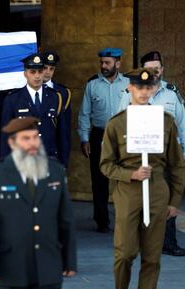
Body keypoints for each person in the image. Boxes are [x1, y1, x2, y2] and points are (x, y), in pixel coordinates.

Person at [100, 68, 185, 289]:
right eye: (139, 87)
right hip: (128, 192)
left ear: (156, 88)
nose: (144, 92)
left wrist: (174, 201)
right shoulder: (116, 124)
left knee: (152, 256)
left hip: (157, 190)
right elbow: (106, 165)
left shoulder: (165, 121)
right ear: (129, 87)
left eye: (149, 87)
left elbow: (176, 164)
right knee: (125, 253)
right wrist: (131, 174)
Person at [0, 116, 77, 289]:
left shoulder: (55, 171)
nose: (33, 143)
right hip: (11, 267)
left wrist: (69, 261)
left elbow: (65, 219)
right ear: (12, 143)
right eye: (26, 138)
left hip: (48, 264)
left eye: (36, 137)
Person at [117, 51, 185, 256]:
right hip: (138, 154)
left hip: (168, 155)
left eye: (157, 68)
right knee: (138, 199)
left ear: (162, 70)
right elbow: (119, 123)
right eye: (150, 69)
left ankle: (168, 242)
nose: (154, 72)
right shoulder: (128, 93)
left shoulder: (171, 93)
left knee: (167, 198)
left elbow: (182, 123)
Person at [77, 47, 130, 233]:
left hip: (124, 136)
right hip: (99, 134)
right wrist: (84, 139)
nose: (103, 66)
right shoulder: (92, 84)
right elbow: (84, 114)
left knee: (125, 179)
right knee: (99, 179)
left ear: (118, 63)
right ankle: (102, 221)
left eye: (107, 62)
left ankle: (126, 220)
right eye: (102, 62)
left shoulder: (130, 83)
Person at [1, 53, 69, 167]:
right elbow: (6, 137)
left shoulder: (55, 97)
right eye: (32, 72)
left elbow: (62, 134)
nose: (37, 76)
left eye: (40, 71)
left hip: (49, 160)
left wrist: (63, 163)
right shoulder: (13, 99)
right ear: (25, 74)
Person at [41, 51, 72, 165]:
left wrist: (64, 161)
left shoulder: (62, 93)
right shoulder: (27, 92)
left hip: (52, 154)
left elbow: (64, 131)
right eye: (45, 68)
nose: (48, 72)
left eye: (51, 68)